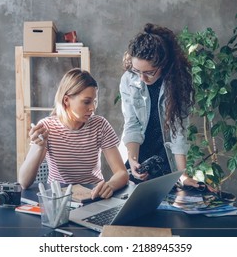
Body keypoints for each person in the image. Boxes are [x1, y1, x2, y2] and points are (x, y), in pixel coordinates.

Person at [19, 68, 129, 200]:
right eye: (87, 102)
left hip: (92, 197)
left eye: (94, 101)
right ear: (66, 100)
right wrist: (39, 147)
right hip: (58, 199)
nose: (93, 108)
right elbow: (24, 182)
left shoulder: (100, 125)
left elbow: (122, 173)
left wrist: (110, 185)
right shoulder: (47, 127)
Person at [119, 23, 199, 187]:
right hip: (136, 152)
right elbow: (132, 123)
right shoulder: (128, 79)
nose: (142, 78)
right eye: (137, 70)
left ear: (163, 65)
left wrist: (182, 175)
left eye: (149, 72)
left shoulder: (180, 82)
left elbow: (179, 129)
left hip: (165, 157)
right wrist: (133, 160)